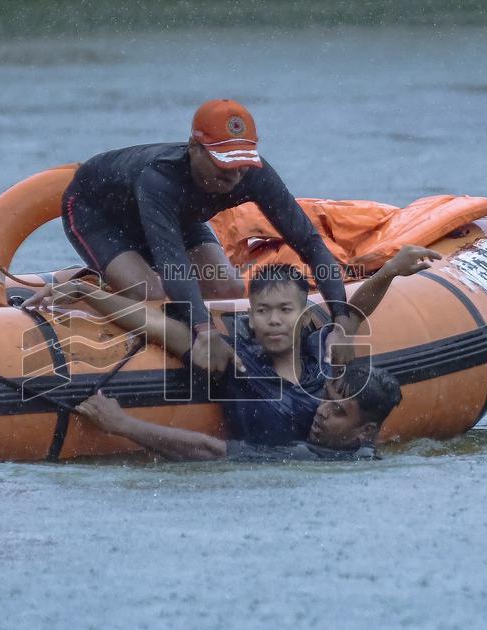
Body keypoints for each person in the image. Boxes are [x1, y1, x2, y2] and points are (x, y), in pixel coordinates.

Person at [34, 98, 356, 373]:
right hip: (97, 213)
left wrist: (340, 318)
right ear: (193, 148)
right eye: (223, 165)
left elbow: (309, 242)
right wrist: (203, 332)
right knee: (150, 292)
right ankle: (92, 285)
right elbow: (172, 262)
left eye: (240, 165)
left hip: (179, 214)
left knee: (227, 286)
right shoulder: (158, 178)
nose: (234, 176)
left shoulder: (254, 175)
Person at [36, 244, 440, 444]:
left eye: (285, 309)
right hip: (270, 461)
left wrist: (390, 270)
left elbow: (352, 315)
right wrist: (86, 294)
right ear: (250, 317)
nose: (275, 320)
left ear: (304, 316)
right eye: (263, 311)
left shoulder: (325, 360)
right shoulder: (234, 363)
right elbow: (156, 326)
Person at [75, 364, 403, 462]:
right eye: (327, 400)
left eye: (339, 412)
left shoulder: (308, 457)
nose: (321, 412)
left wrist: (121, 424)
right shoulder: (362, 454)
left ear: (364, 432)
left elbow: (211, 450)